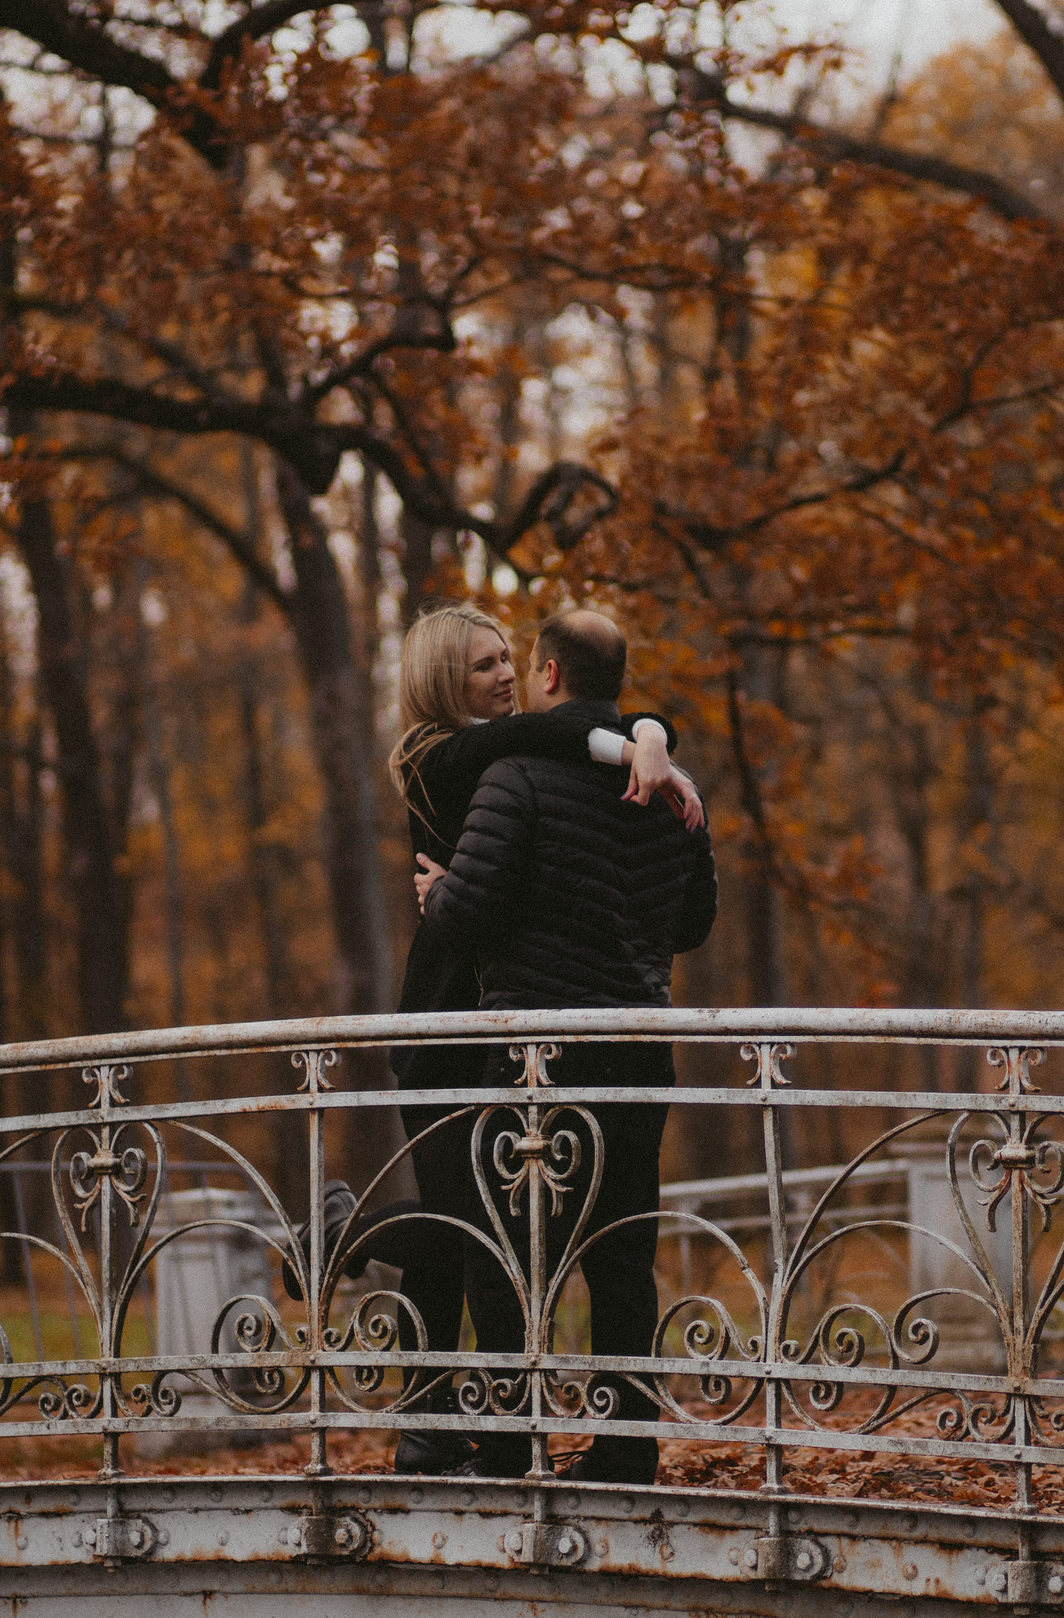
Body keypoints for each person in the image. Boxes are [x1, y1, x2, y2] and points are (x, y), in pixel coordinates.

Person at [295, 603, 701, 1477]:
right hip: (445, 1019)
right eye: (483, 666)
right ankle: (361, 1260)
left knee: (478, 1235)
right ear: (446, 680)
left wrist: (649, 733)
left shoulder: (517, 756)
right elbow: (556, 736)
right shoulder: (445, 754)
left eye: (509, 659)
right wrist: (642, 738)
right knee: (474, 1232)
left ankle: (427, 1420)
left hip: (505, 1019)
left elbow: (563, 736)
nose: (505, 675)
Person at [415, 607, 717, 1486]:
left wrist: (437, 893)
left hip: (535, 1059)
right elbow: (693, 922)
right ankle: (627, 1451)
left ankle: (510, 1446)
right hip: (637, 1046)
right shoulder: (675, 789)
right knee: (621, 1255)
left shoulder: (512, 774)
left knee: (508, 1253)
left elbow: (464, 913)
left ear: (547, 675)